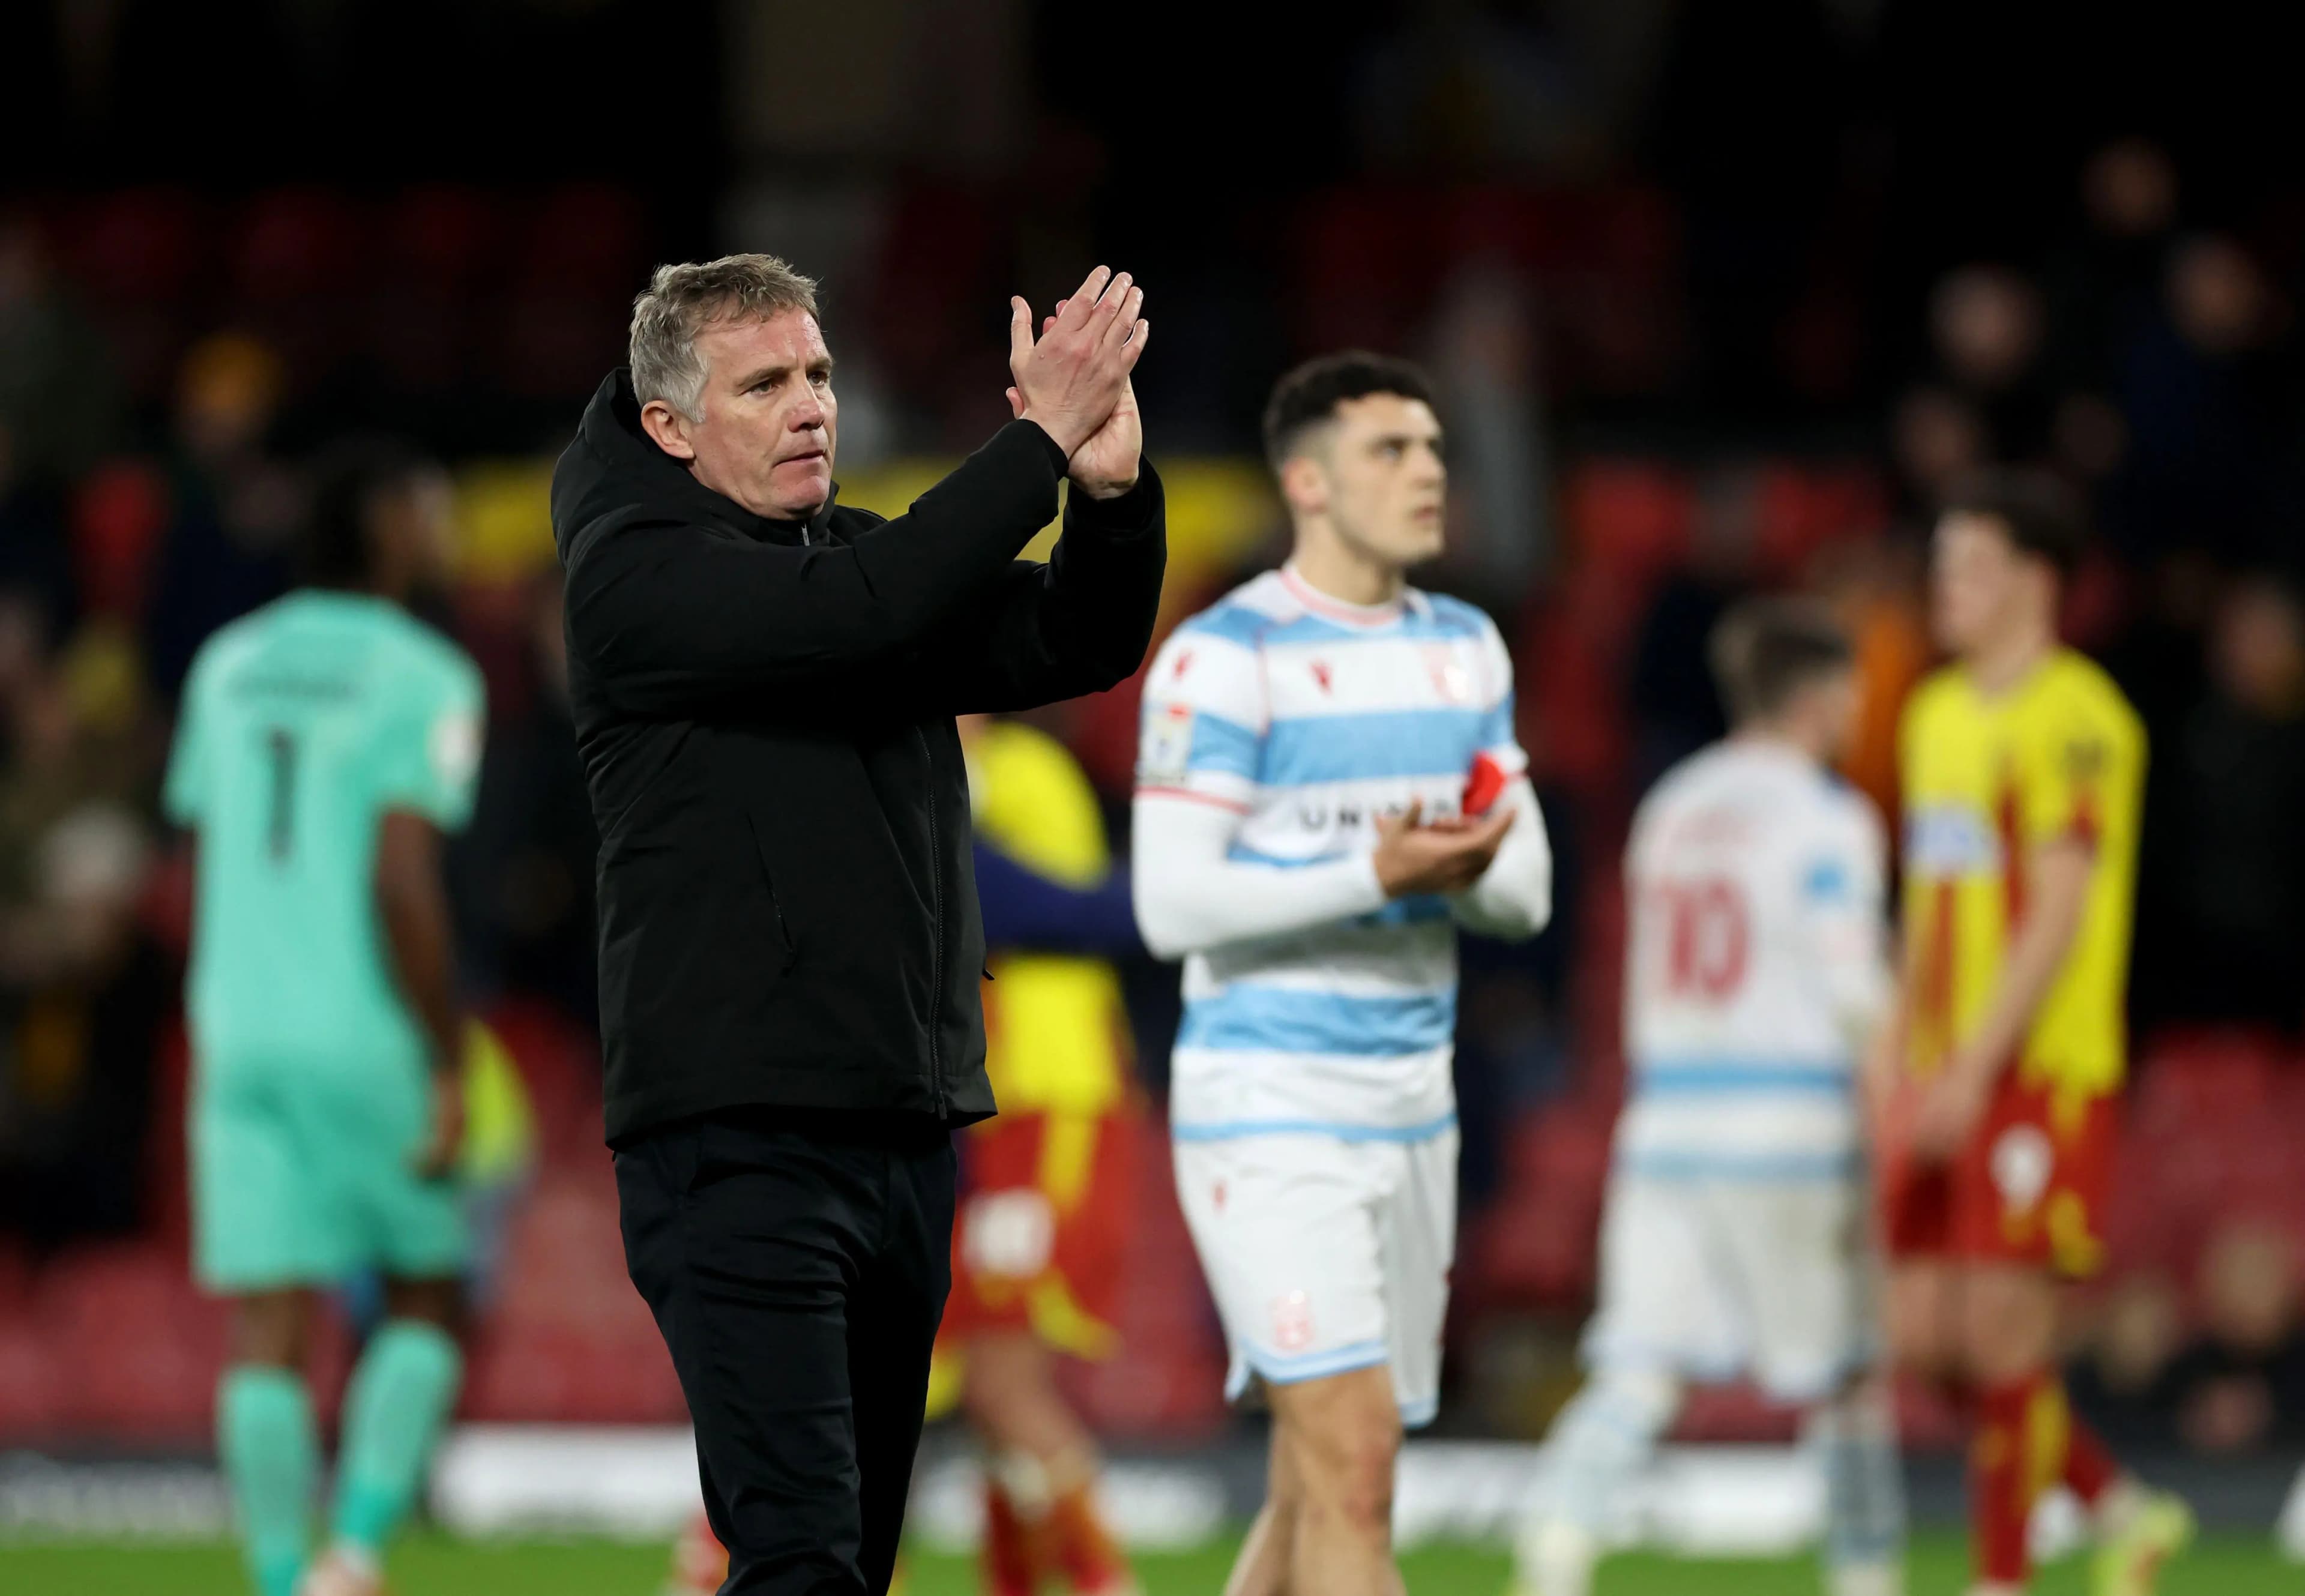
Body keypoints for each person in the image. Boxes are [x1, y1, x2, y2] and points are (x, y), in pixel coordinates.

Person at [554, 254, 1163, 1596]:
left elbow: (1074, 638)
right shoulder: (633, 582)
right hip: (738, 1139)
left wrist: (1109, 493)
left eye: (819, 373)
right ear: (670, 425)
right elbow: (862, 619)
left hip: (900, 1132)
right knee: (801, 1562)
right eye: (764, 383)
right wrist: (1033, 443)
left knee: (843, 1567)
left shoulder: (853, 561)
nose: (810, 405)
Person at [1133, 352, 1553, 1596]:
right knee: (1357, 1462)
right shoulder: (1227, 658)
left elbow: (1523, 894)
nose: (1428, 470)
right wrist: (1376, 874)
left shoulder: (1466, 651)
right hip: (1269, 1107)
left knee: (1315, 1480)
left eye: (1433, 448)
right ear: (1306, 480)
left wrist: (1445, 869)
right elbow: (1171, 903)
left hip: (1412, 1104)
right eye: (1392, 450)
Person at [1512, 599, 1905, 1596]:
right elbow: (1855, 990)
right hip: (1790, 1129)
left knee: (1638, 1372)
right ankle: (1868, 1579)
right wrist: (1900, 1109)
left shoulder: (1673, 806)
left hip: (1669, 1127)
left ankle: (1551, 1557)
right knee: (1847, 1376)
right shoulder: (1829, 818)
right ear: (1818, 697)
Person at [167, 442, 485, 1596]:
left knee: (269, 1322)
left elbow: (205, 846)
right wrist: (447, 1059)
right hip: (365, 1031)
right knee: (425, 1294)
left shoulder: (225, 665)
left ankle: (273, 1573)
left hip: (237, 1028)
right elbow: (402, 881)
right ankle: (352, 1553)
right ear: (391, 526)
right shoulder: (428, 676)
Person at [1878, 470, 2190, 1596]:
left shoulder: (2082, 718)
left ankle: (2000, 1581)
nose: (1943, 588)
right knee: (1921, 1334)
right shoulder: (1933, 711)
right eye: (1942, 565)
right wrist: (1899, 1051)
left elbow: (2055, 913)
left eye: (1969, 566)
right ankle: (2121, 1506)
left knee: (2006, 1332)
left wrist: (1975, 1065)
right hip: (1942, 1063)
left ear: (2037, 581)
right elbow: (1927, 896)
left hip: (2041, 1067)